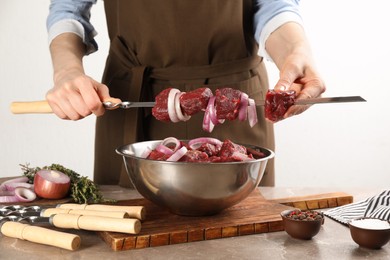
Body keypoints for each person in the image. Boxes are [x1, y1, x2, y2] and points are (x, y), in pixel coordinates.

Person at [46, 0, 325, 187]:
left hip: (235, 100)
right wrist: (66, 71)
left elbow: (272, 4)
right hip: (133, 100)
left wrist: (295, 50)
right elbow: (68, 6)